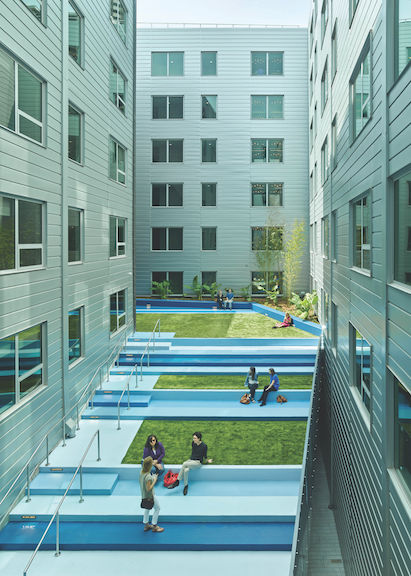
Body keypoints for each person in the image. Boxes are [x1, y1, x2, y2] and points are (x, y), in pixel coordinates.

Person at [139, 456, 165, 532]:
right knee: (157, 508)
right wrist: (155, 479)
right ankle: (155, 526)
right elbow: (149, 488)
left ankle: (146, 525)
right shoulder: (148, 477)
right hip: (150, 496)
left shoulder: (141, 472)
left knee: (147, 509)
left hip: (144, 495)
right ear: (150, 465)